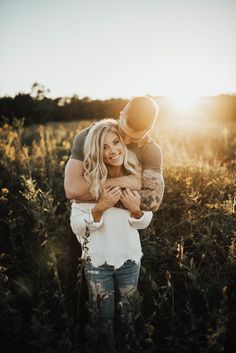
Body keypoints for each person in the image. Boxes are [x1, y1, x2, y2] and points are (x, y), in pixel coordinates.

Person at [70, 119, 153, 352]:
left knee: (129, 319)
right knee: (102, 324)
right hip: (97, 263)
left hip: (129, 261)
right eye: (104, 147)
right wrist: (99, 208)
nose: (113, 150)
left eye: (115, 143)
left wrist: (136, 211)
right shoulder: (88, 185)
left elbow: (145, 220)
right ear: (96, 151)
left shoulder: (132, 176)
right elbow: (77, 226)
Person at [64, 96, 164, 212]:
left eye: (134, 139)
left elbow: (153, 201)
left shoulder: (151, 151)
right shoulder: (87, 137)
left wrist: (89, 196)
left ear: (149, 129)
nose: (126, 141)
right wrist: (124, 182)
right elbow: (72, 190)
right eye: (123, 133)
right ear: (121, 115)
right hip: (89, 220)